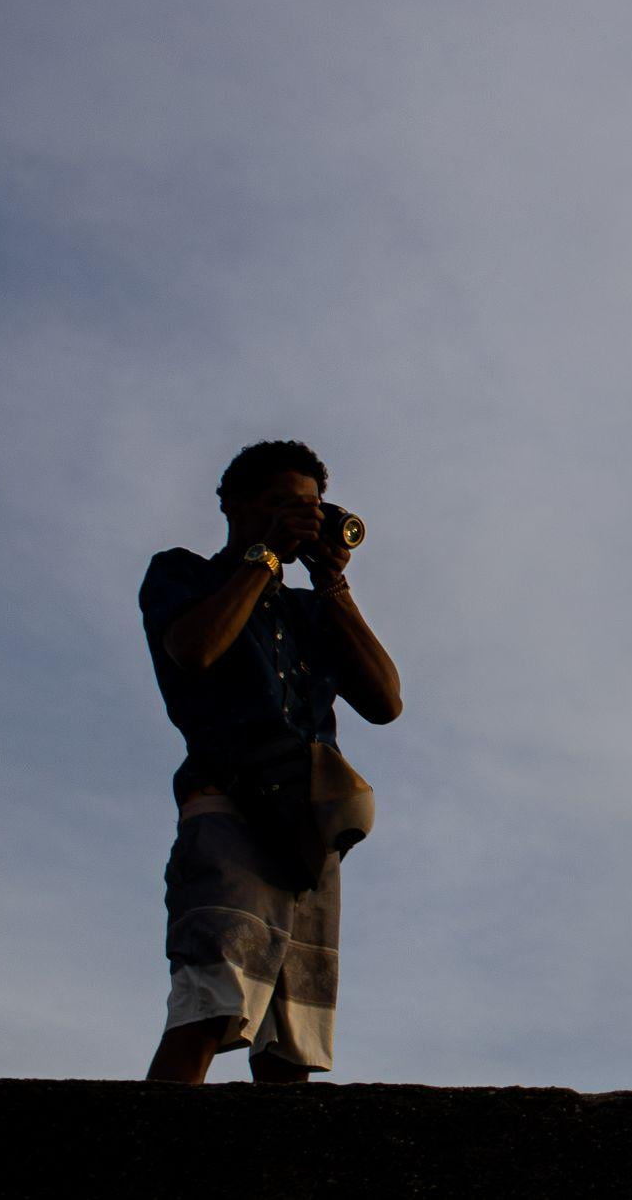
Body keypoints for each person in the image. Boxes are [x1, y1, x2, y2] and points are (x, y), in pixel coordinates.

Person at [140, 440, 402, 1083]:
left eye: (311, 508)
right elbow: (195, 650)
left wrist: (331, 580)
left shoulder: (310, 610)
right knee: (212, 998)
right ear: (233, 506)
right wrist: (265, 558)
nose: (302, 519)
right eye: (283, 505)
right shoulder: (184, 575)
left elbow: (385, 701)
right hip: (228, 803)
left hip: (308, 825)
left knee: (295, 1034)